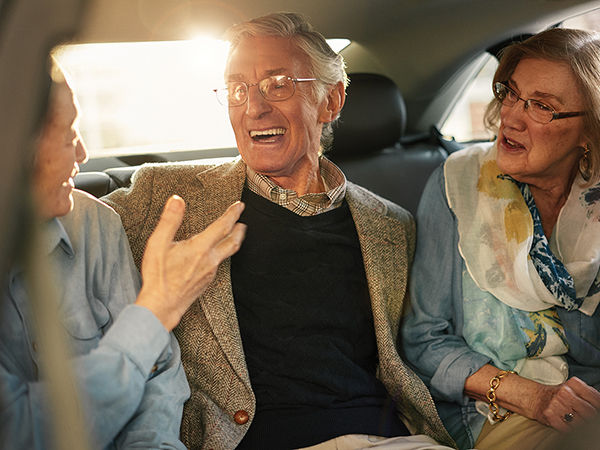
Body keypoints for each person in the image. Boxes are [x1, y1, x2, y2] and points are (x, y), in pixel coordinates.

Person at [104, 11, 455, 450]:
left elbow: (425, 346)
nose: (253, 107)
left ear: (332, 100)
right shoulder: (165, 196)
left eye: (278, 84)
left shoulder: (392, 225)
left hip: (388, 438)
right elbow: (61, 230)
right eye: (237, 89)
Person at [0, 60, 246, 448]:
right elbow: (23, 431)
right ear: (14, 147)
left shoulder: (95, 224)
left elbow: (158, 377)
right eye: (67, 136)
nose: (82, 153)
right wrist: (156, 310)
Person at [401, 28, 600, 450]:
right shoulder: (458, 185)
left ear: (589, 133)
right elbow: (425, 339)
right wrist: (536, 397)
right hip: (491, 410)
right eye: (510, 93)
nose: (511, 116)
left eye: (542, 106)